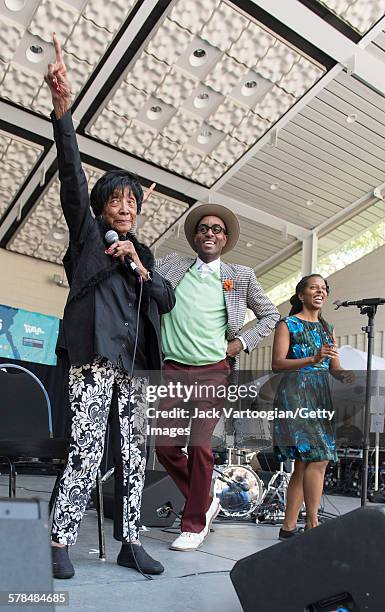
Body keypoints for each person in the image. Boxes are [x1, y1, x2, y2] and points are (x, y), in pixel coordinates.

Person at [44, 34, 175, 578]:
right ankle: (58, 542)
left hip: (133, 369)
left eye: (131, 202)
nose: (124, 207)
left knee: (134, 457)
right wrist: (63, 114)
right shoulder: (87, 237)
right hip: (93, 361)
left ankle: (131, 541)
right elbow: (73, 180)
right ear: (102, 208)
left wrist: (141, 267)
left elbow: (164, 300)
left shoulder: (143, 255)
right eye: (116, 199)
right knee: (87, 450)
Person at [155, 203, 280, 550]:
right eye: (204, 228)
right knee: (164, 446)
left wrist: (239, 343)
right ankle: (206, 500)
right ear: (195, 236)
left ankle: (193, 523)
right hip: (173, 369)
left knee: (200, 445)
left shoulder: (240, 275)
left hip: (213, 371)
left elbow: (270, 315)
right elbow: (142, 274)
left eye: (217, 229)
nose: (210, 232)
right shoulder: (169, 266)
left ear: (225, 239)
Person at [272, 274, 352, 538]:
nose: (320, 292)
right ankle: (313, 524)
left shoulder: (327, 328)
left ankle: (288, 527)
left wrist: (344, 375)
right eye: (314, 287)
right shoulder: (288, 324)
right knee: (320, 457)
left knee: (304, 464)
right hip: (295, 394)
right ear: (301, 294)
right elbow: (278, 363)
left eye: (324, 288)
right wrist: (312, 358)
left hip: (320, 396)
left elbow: (334, 366)